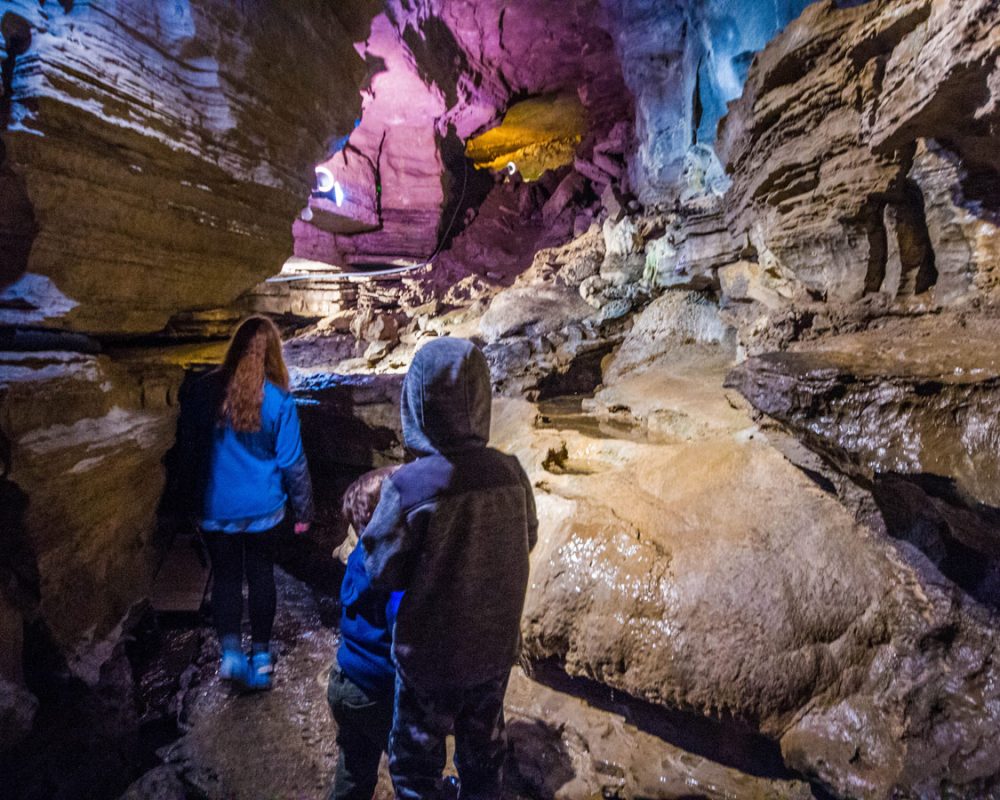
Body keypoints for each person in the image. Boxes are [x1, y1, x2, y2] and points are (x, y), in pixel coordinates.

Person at [360, 338, 538, 800]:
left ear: (417, 401)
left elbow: (380, 570)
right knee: (484, 758)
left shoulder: (408, 487)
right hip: (493, 651)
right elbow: (528, 538)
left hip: (429, 659)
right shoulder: (511, 473)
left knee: (415, 768)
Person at [179, 316, 313, 690]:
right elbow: (292, 463)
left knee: (225, 578)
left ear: (235, 348)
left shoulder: (207, 392)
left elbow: (188, 450)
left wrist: (183, 503)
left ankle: (232, 657)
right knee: (260, 576)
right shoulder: (279, 400)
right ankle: (262, 659)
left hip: (217, 507)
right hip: (264, 509)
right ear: (274, 354)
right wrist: (304, 511)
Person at [327, 465, 401, 800]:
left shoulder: (359, 555)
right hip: (375, 691)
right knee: (412, 763)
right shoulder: (389, 571)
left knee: (354, 768)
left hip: (343, 681)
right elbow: (401, 626)